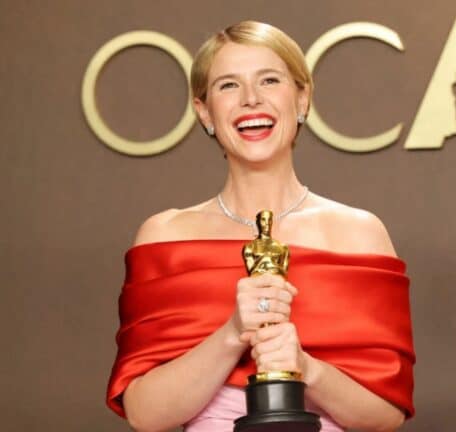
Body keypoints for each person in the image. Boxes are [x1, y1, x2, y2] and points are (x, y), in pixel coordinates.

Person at [106, 21, 415, 432]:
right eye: (228, 85)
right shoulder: (166, 239)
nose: (251, 99)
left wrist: (306, 367)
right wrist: (232, 333)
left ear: (302, 98)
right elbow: (146, 415)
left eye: (269, 80)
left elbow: (386, 415)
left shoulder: (359, 235)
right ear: (204, 111)